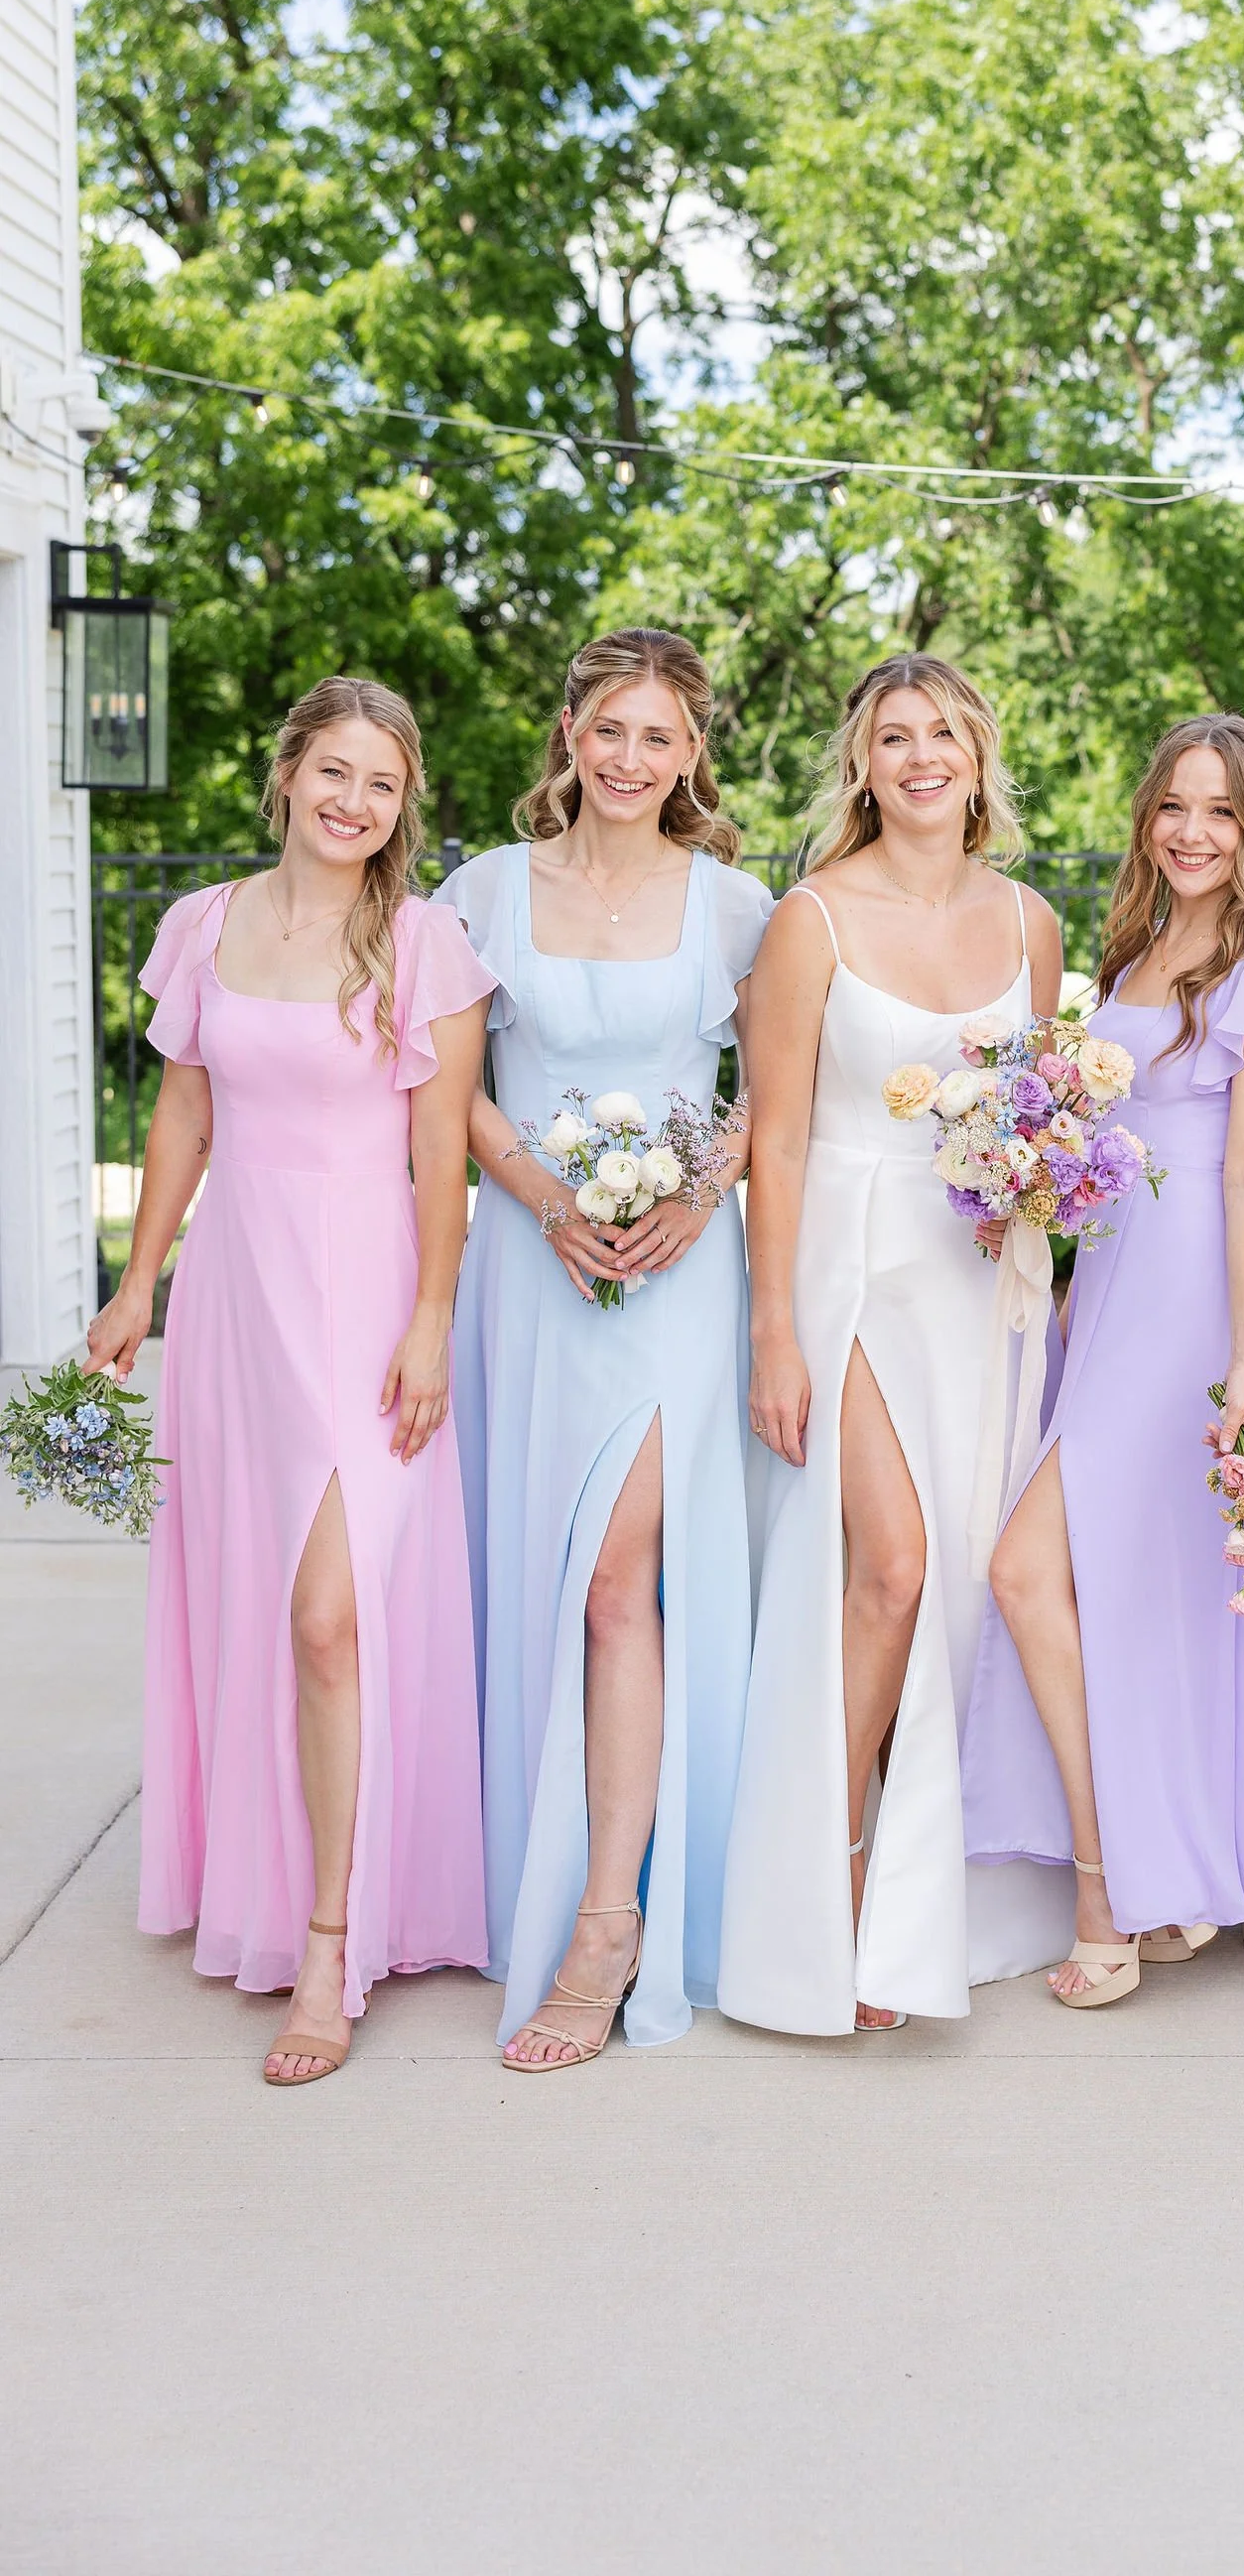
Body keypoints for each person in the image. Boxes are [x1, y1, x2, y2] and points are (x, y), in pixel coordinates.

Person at [85, 677, 494, 2085]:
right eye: (334, 771)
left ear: (404, 804)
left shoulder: (427, 945)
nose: (353, 801)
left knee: (333, 1616)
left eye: (381, 783)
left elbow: (440, 1154)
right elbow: (184, 1111)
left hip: (370, 1293)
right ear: (288, 775)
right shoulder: (205, 925)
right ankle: (268, 1878)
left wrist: (432, 1317)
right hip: (236, 1302)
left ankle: (332, 1941)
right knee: (260, 1604)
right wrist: (138, 1283)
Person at [961, 715, 1244, 2005]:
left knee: (1031, 1571)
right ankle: (1205, 1871)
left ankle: (1112, 1882)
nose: (1192, 831)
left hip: (1190, 1310)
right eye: (1175, 805)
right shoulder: (1131, 952)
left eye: (1221, 812)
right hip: (1112, 1297)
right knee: (1142, 1590)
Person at [718, 654, 1073, 2033]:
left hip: (983, 1278)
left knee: (970, 1579)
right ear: (861, 766)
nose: (921, 756)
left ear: (979, 760)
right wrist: (774, 1330)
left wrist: (1042, 1207)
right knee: (893, 1566)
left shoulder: (1030, 923)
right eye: (893, 737)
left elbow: (1044, 1115)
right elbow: (779, 1138)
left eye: (944, 734)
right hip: (850, 1268)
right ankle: (838, 1871)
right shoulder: (809, 920)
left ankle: (948, 1888)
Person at [437, 630, 773, 2066]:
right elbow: (447, 1088)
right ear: (569, 735)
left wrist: (699, 1193)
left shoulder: (739, 907)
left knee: (618, 1586)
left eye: (660, 736)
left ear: (693, 754)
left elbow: (778, 1090)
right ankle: (519, 1868)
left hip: (677, 1282)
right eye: (610, 730)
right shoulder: (480, 893)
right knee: (537, 1578)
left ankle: (610, 1923)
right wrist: (546, 1201)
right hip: (531, 1274)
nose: (632, 759)